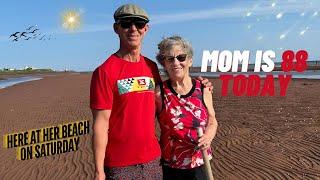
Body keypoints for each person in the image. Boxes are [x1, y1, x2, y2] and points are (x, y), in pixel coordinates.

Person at [90, 4, 212, 180]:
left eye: (139, 24)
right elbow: (100, 125)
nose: (133, 29)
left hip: (153, 160)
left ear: (145, 29)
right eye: (126, 23)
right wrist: (98, 171)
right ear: (116, 28)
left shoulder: (151, 67)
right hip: (120, 164)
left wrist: (200, 86)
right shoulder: (104, 72)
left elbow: (172, 94)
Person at [155, 36, 218, 180]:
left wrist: (208, 136)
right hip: (172, 168)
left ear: (189, 61)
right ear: (164, 63)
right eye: (170, 59)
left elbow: (213, 121)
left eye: (181, 57)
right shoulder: (159, 93)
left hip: (201, 164)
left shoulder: (203, 89)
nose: (176, 63)